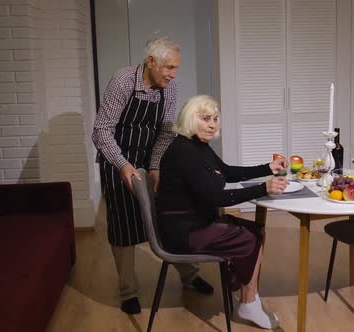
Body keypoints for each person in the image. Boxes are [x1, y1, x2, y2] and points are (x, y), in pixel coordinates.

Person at [92, 37, 212, 315]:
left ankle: (190, 276)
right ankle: (128, 291)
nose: (173, 74)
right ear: (151, 62)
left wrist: (156, 166)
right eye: (168, 67)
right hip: (116, 157)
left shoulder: (169, 89)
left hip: (149, 156)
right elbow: (101, 130)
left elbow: (165, 133)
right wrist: (122, 165)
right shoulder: (123, 81)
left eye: (176, 68)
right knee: (123, 223)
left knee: (169, 214)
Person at [155, 95, 289, 329]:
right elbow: (215, 197)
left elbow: (227, 172)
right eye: (205, 118)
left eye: (215, 119)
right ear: (190, 119)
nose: (212, 124)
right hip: (183, 231)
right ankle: (248, 303)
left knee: (256, 230)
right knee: (248, 237)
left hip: (194, 222)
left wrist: (266, 168)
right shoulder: (184, 152)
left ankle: (250, 299)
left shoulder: (197, 147)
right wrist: (263, 188)